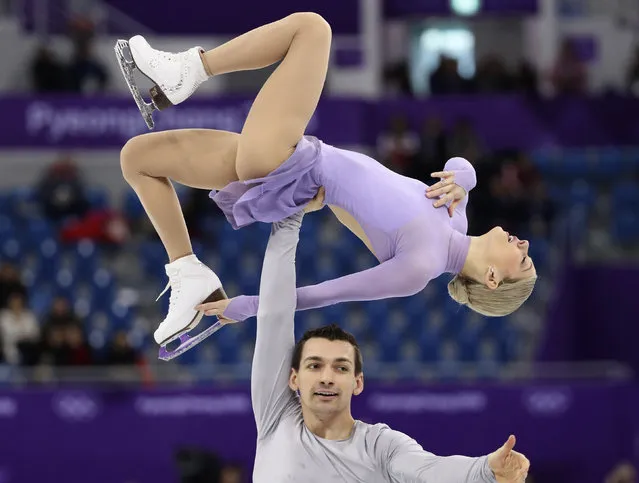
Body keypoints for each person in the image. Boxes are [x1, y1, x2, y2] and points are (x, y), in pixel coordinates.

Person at [118, 12, 537, 352]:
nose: (524, 245)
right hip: (295, 159)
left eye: (522, 260)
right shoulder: (455, 216)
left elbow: (324, 294)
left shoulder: (421, 267)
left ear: (493, 280)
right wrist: (466, 177)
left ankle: (188, 69)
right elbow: (459, 163)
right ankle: (187, 272)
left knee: (312, 29)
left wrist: (246, 307)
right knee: (137, 158)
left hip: (293, 165)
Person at [197, 210, 530, 482]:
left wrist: (484, 470)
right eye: (314, 365)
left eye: (340, 368)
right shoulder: (276, 417)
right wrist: (287, 220)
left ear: (357, 382)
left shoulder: (380, 447)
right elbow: (274, 317)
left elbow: (430, 471)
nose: (327, 377)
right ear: (294, 378)